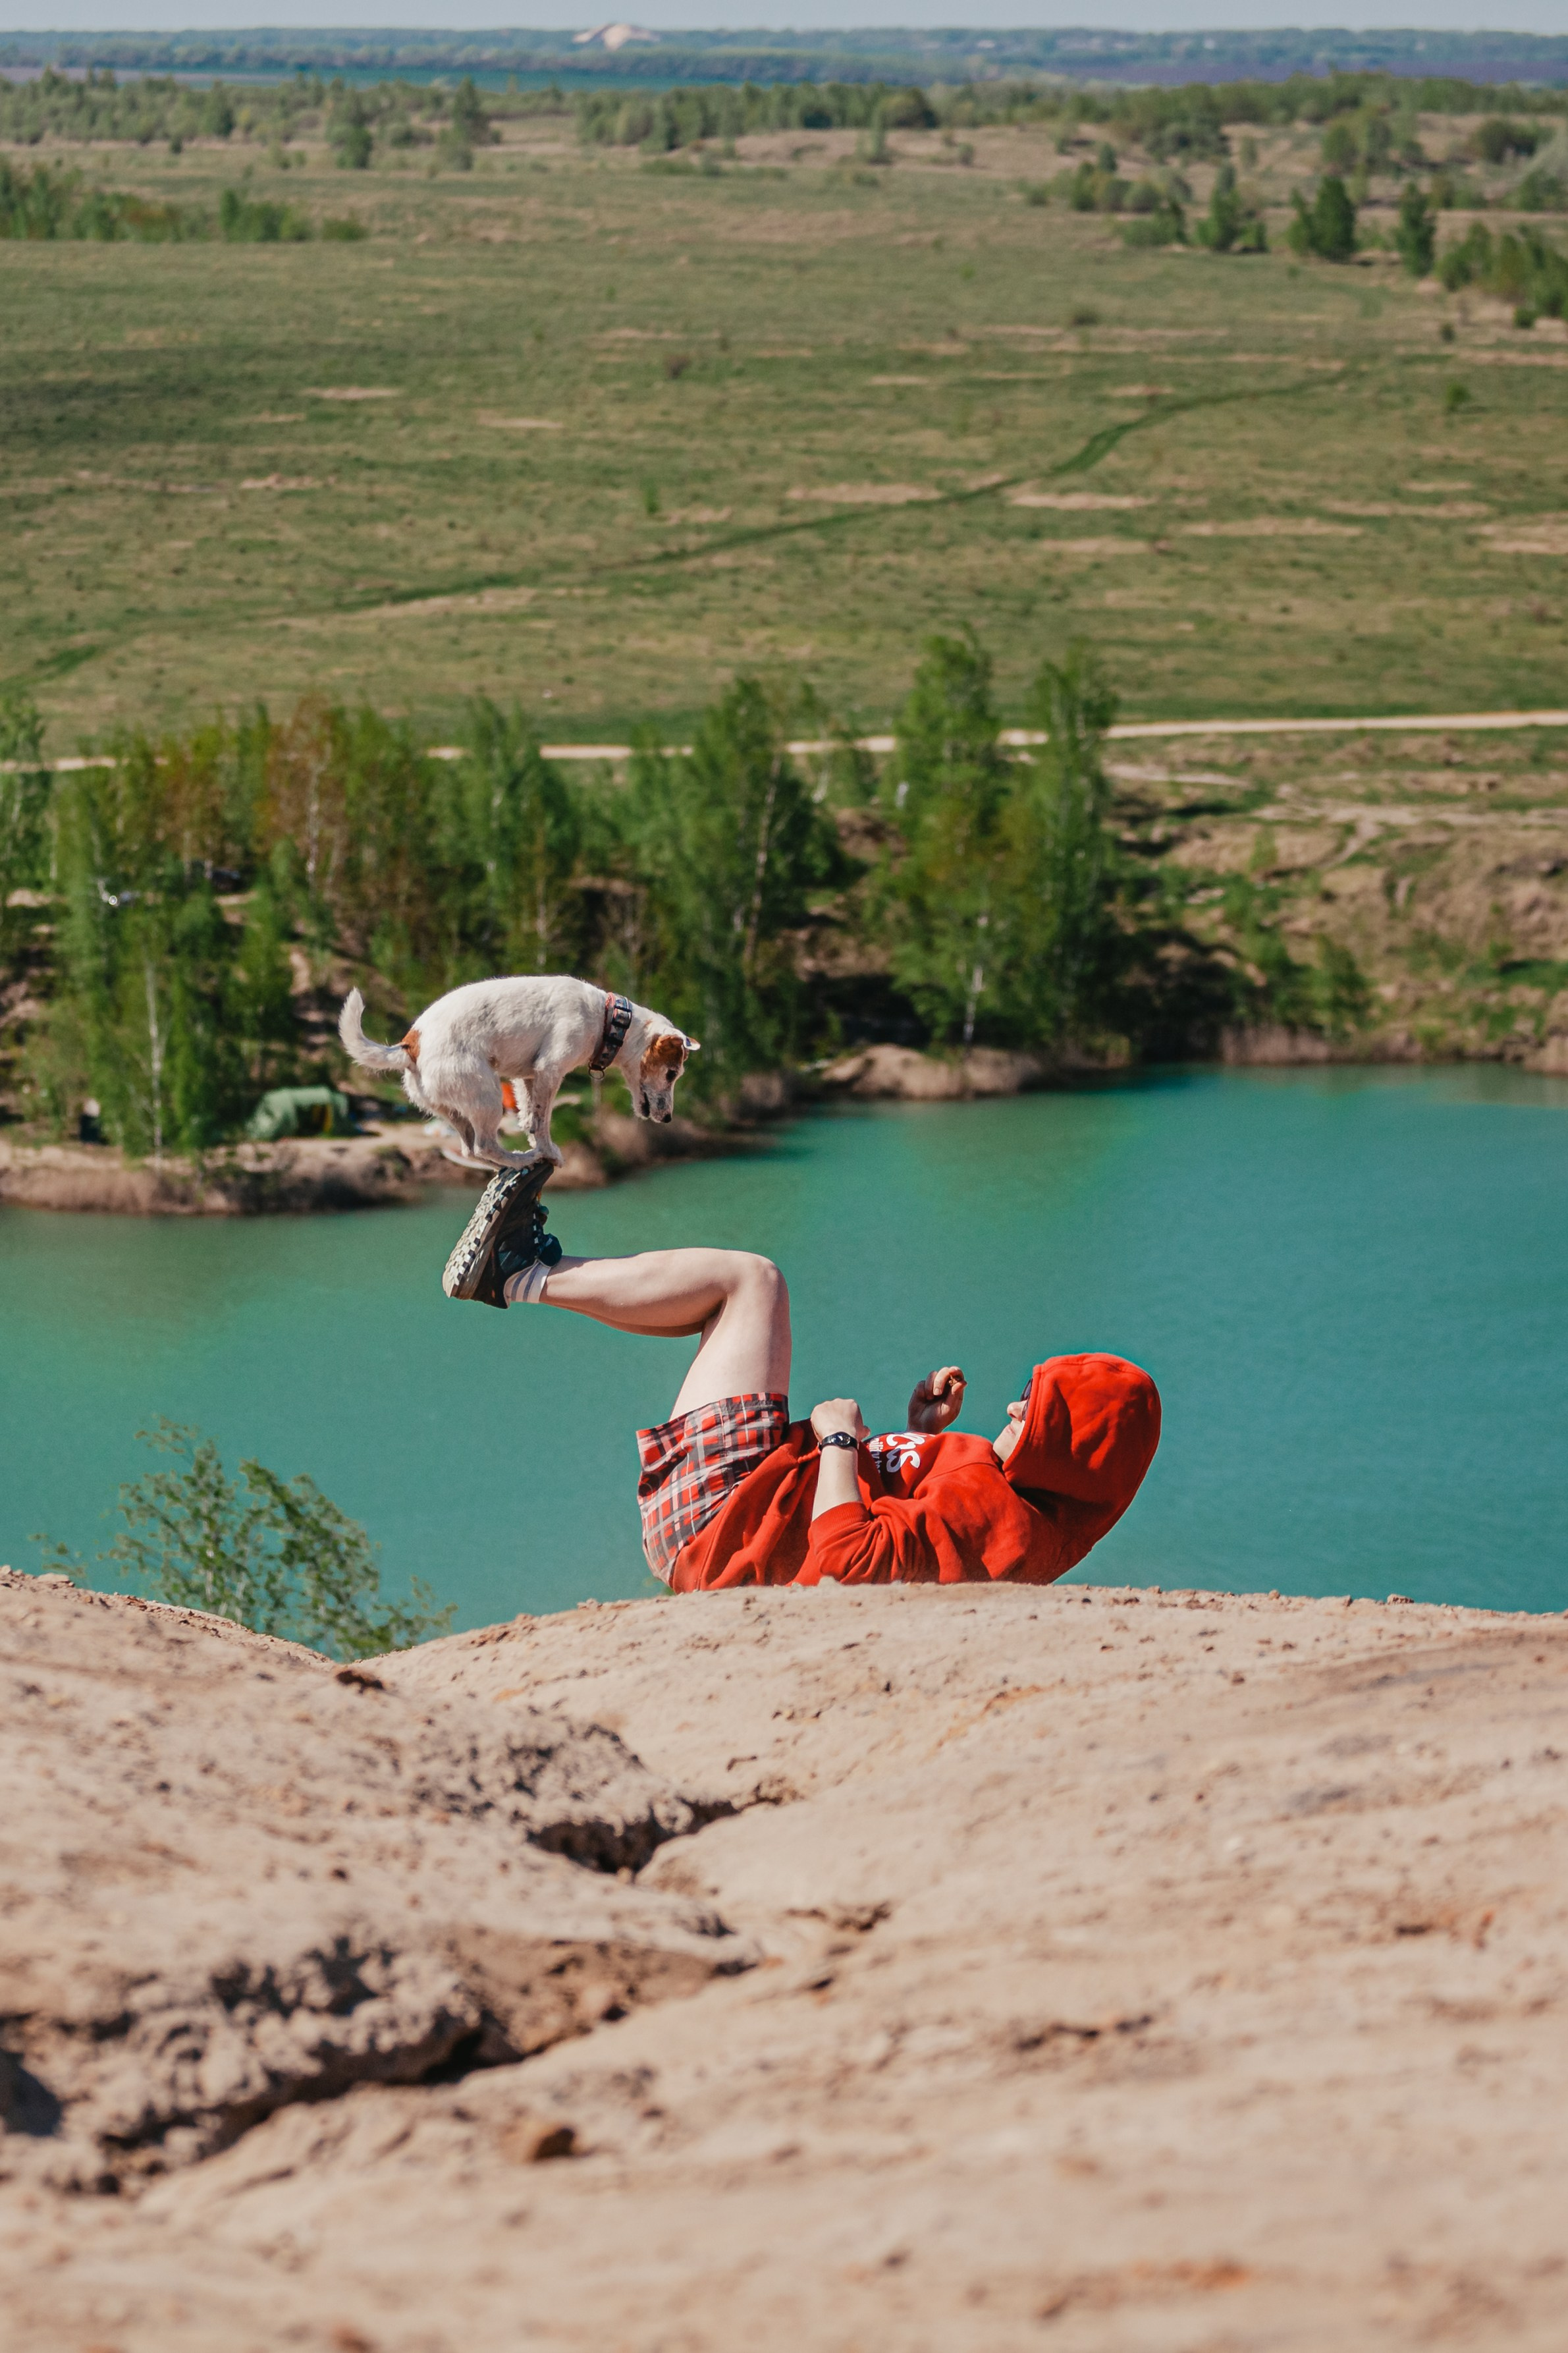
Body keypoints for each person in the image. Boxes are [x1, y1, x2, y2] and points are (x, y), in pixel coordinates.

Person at [441, 1165, 1161, 1593]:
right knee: (721, 1306)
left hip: (730, 1521)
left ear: (1071, 1445)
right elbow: (916, 1539)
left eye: (1039, 1407)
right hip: (745, 1507)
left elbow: (848, 1561)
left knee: (747, 1282)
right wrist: (921, 1435)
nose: (1014, 1402)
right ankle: (521, 1274)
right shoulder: (1019, 1501)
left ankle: (515, 1271)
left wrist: (843, 1438)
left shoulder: (1006, 1518)